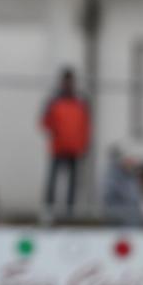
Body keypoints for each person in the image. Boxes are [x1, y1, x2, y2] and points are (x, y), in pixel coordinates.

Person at [40, 68, 90, 215]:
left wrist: (84, 144)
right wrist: (56, 132)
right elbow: (45, 121)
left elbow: (86, 125)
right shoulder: (54, 100)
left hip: (74, 148)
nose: (68, 84)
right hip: (58, 147)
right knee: (53, 178)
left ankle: (70, 210)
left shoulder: (81, 101)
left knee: (73, 182)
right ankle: (48, 207)